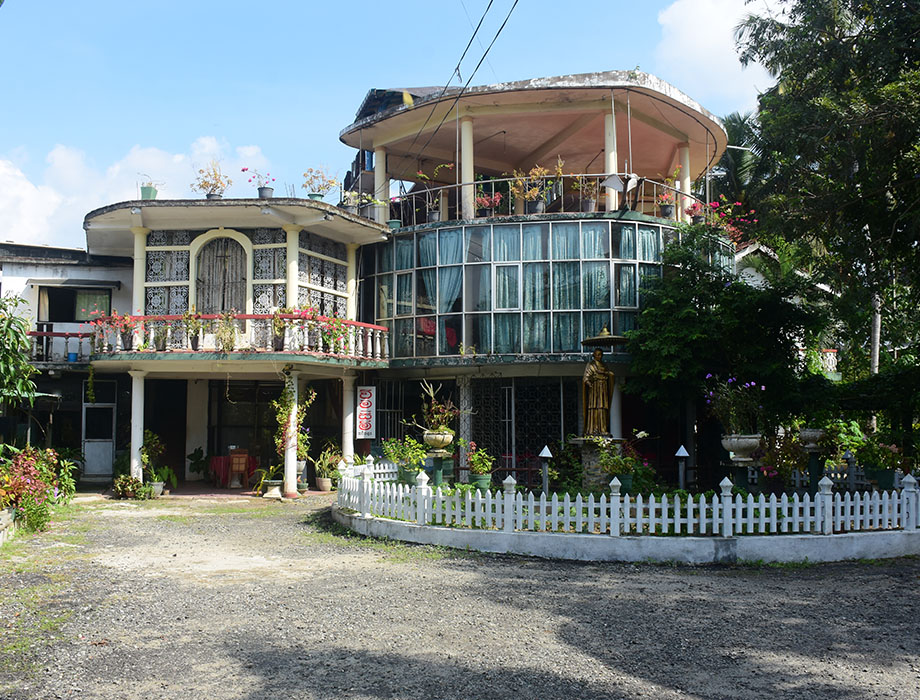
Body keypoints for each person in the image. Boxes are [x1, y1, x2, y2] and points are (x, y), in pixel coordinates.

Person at [583, 347, 614, 436]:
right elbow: (586, 377)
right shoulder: (590, 365)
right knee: (594, 407)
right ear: (594, 355)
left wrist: (608, 374)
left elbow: (609, 375)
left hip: (603, 388)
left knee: (602, 407)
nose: (599, 356)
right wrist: (589, 383)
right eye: (598, 355)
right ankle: (593, 429)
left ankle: (603, 429)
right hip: (594, 388)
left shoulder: (604, 365)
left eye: (601, 355)